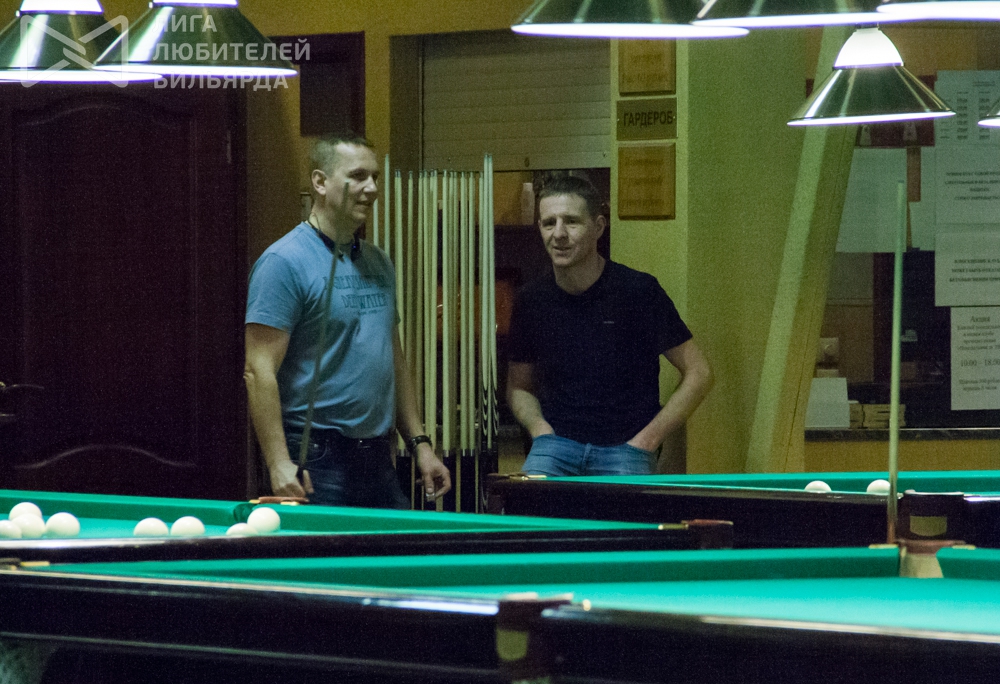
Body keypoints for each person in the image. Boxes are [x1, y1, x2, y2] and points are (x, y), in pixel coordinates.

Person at [243, 133, 451, 507]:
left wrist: (420, 443)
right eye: (357, 176)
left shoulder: (378, 262)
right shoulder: (283, 262)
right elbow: (258, 370)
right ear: (320, 182)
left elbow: (393, 359)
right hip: (315, 457)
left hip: (378, 456)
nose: (371, 188)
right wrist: (278, 463)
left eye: (375, 177)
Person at [506, 175, 713, 476]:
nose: (559, 233)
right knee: (523, 502)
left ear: (598, 227)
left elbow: (699, 373)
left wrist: (647, 441)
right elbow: (518, 387)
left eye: (571, 222)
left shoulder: (638, 291)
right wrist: (540, 432)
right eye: (549, 223)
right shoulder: (530, 299)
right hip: (555, 446)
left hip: (626, 449)